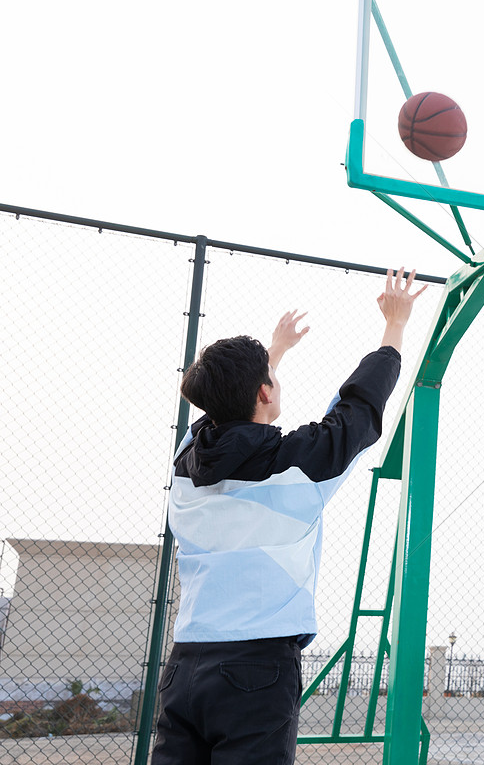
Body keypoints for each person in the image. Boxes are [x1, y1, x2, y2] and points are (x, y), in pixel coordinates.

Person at [152, 268, 427, 765]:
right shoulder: (299, 466)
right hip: (256, 668)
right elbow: (359, 411)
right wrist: (395, 326)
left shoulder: (185, 465)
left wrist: (272, 355)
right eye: (270, 380)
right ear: (263, 392)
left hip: (184, 665)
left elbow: (218, 412)